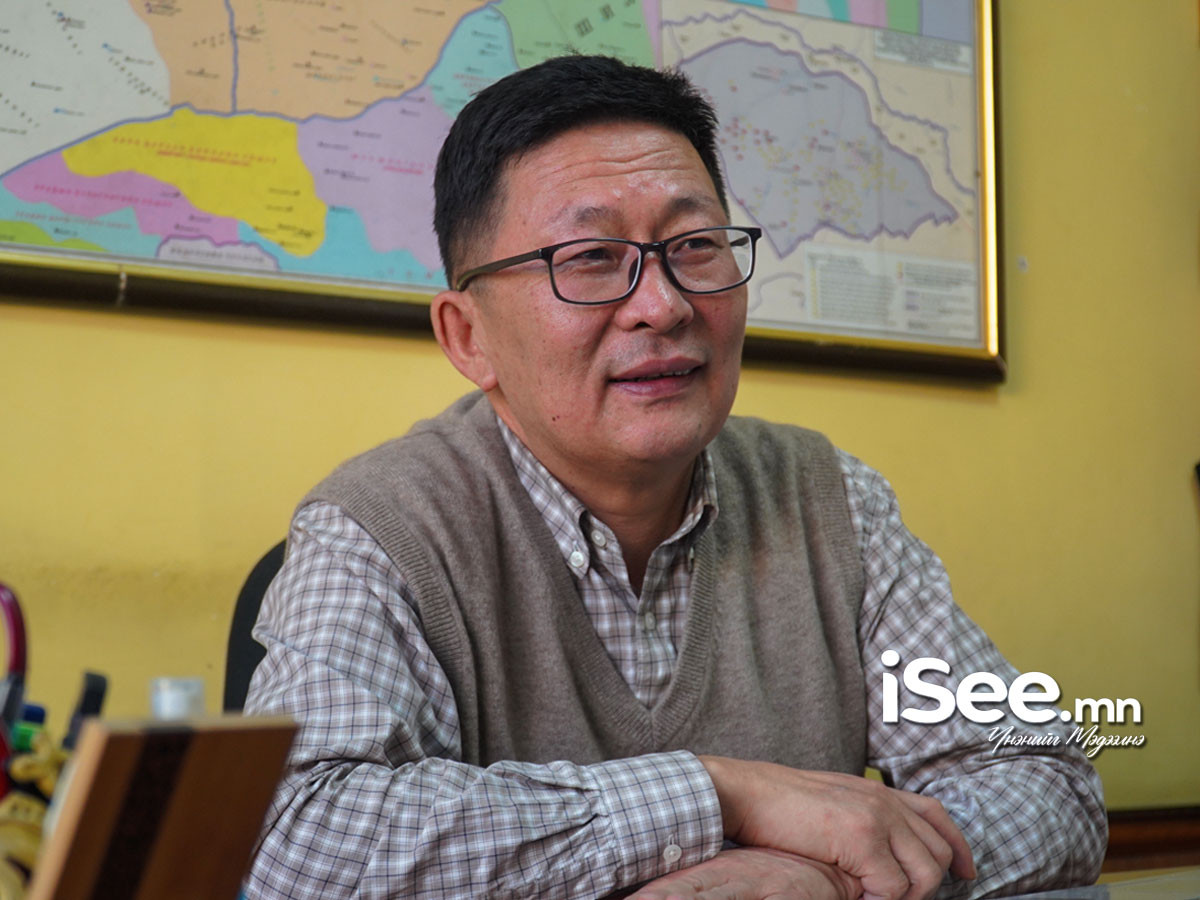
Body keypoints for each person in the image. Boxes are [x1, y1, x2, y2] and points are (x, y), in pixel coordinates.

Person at [243, 55, 1106, 900]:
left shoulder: (833, 504)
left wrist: (820, 880)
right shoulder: (378, 529)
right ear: (468, 336)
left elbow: (1048, 781)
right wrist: (719, 792)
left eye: (695, 246)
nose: (663, 304)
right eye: (589, 257)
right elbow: (296, 846)